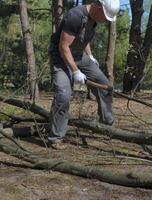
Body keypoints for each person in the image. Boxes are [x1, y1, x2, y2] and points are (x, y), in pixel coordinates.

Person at [48, 0, 120, 149]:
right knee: (64, 93)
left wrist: (90, 56)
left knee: (105, 86)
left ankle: (106, 124)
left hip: (79, 56)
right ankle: (55, 137)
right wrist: (75, 72)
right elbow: (63, 47)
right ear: (99, 7)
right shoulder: (75, 16)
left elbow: (83, 38)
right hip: (61, 57)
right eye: (105, 16)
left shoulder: (93, 19)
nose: (106, 21)